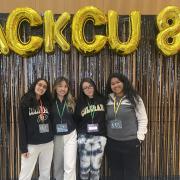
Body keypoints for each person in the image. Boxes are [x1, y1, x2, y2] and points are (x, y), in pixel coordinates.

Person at [106, 73, 148, 180]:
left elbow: (142, 119)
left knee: (132, 173)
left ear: (124, 82)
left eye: (118, 82)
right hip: (112, 142)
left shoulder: (135, 98)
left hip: (130, 142)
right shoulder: (108, 99)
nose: (115, 85)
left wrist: (139, 138)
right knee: (116, 173)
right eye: (112, 84)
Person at [18, 78, 54, 180]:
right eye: (39, 85)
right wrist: (23, 147)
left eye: (44, 87)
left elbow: (51, 120)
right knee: (25, 174)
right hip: (32, 145)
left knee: (45, 174)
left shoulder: (47, 102)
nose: (41, 88)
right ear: (35, 85)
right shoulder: (25, 101)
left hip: (48, 143)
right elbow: (22, 125)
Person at [75, 78, 107, 180]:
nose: (88, 89)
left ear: (94, 86)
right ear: (82, 90)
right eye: (85, 88)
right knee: (84, 167)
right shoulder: (80, 102)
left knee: (96, 166)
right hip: (84, 137)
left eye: (90, 86)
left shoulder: (102, 99)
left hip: (100, 136)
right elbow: (76, 119)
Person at [52, 77, 77, 180]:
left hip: (70, 135)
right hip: (56, 136)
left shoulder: (72, 101)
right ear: (55, 87)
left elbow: (76, 118)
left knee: (70, 165)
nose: (63, 89)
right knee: (57, 164)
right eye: (60, 86)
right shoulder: (50, 102)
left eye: (65, 86)